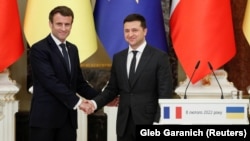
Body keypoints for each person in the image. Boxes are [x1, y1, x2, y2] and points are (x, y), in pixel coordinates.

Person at [84, 13, 173, 141]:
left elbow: (165, 94)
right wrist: (93, 103)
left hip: (149, 123)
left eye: (135, 30)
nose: (130, 34)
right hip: (124, 124)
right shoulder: (119, 58)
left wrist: (159, 122)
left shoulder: (159, 57)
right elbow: (111, 89)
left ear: (145, 31)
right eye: (127, 31)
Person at [29, 6, 99, 141]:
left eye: (67, 24)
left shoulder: (73, 49)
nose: (63, 28)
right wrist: (79, 102)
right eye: (59, 24)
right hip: (45, 121)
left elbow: (79, 83)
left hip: (68, 122)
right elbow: (50, 82)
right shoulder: (39, 49)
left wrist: (102, 99)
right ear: (50, 24)